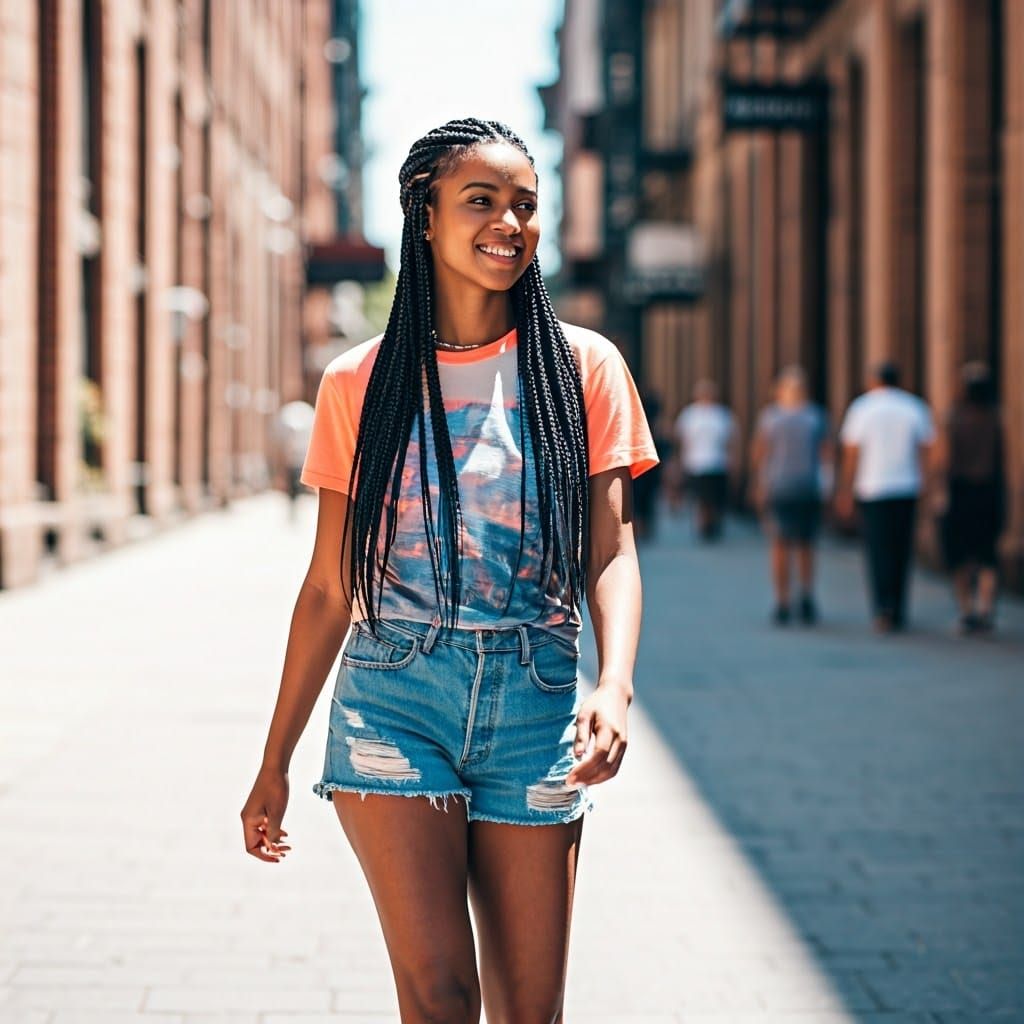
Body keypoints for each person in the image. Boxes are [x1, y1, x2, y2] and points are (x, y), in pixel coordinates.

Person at [239, 118, 658, 1023]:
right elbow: (326, 587)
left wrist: (614, 687)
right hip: (395, 700)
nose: (509, 222)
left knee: (528, 1011)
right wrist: (274, 761)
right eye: (481, 201)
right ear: (423, 217)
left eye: (525, 206)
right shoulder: (362, 380)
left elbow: (611, 551)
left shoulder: (584, 368)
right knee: (438, 998)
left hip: (536, 701)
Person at [836, 361, 935, 633]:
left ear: (873, 381)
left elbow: (852, 453)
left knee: (877, 549)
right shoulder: (914, 406)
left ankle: (882, 608)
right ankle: (900, 607)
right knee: (902, 549)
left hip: (873, 487)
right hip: (907, 486)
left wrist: (845, 490)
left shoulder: (862, 408)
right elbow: (926, 449)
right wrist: (927, 484)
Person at [751, 366, 831, 625]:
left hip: (780, 487)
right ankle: (806, 595)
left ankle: (782, 600)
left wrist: (759, 485)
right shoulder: (815, 417)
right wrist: (828, 485)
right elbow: (825, 454)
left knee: (780, 545)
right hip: (807, 486)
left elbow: (761, 453)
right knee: (806, 545)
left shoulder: (771, 418)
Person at [935, 363, 1005, 633]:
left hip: (960, 491)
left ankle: (967, 611)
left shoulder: (953, 418)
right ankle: (986, 609)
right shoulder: (996, 419)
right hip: (989, 490)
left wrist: (938, 492)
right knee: (987, 555)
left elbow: (944, 459)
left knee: (960, 555)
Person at [673, 379, 737, 540]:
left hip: (718, 463)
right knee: (701, 498)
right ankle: (703, 527)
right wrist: (680, 461)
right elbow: (682, 440)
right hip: (696, 463)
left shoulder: (722, 415)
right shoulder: (689, 414)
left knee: (716, 499)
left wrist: (733, 460)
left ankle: (713, 524)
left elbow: (731, 440)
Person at [633, 390, 671, 541]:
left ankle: (639, 527)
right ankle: (644, 527)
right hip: (650, 458)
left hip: (640, 459)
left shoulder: (635, 419)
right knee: (647, 496)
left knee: (639, 495)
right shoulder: (656, 425)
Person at [272, 399, 315, 520]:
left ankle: (294, 507)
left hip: (295, 463)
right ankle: (293, 506)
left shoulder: (290, 421)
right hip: (294, 463)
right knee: (293, 489)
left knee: (294, 488)